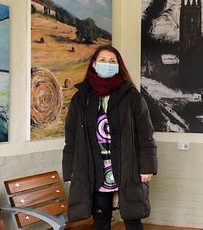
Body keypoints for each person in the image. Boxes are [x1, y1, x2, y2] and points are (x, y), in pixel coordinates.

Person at [62, 45, 157, 230]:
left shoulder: (132, 97)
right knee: (100, 218)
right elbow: (71, 139)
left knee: (132, 216)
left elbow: (146, 135)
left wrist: (147, 167)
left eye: (112, 61)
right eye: (103, 60)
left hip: (127, 167)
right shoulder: (80, 98)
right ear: (94, 64)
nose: (108, 64)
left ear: (119, 66)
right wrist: (70, 170)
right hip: (94, 168)